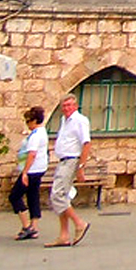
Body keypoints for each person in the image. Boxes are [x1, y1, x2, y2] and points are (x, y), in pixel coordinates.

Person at [46, 93, 91, 247]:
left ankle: (79, 223)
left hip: (71, 161)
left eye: (69, 105)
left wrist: (81, 168)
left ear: (75, 106)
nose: (67, 108)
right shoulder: (64, 121)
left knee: (57, 195)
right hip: (63, 160)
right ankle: (63, 235)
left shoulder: (80, 121)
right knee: (63, 196)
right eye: (64, 106)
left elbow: (86, 143)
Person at [10, 105, 48, 240]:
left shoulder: (35, 136)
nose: (27, 124)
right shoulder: (42, 132)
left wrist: (25, 172)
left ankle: (26, 226)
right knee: (33, 196)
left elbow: (32, 154)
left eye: (28, 121)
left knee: (15, 196)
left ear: (34, 121)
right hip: (39, 168)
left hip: (32, 170)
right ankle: (34, 226)